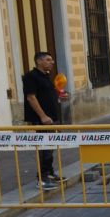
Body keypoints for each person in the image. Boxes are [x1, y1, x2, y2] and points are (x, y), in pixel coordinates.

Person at [23, 52, 66, 190]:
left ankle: (50, 173)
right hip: (42, 120)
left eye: (52, 59)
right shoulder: (31, 77)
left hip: (52, 118)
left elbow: (47, 95)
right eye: (48, 60)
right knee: (44, 148)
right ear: (39, 61)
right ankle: (42, 178)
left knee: (50, 147)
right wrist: (42, 116)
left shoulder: (46, 76)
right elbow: (31, 97)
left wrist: (60, 97)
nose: (52, 62)